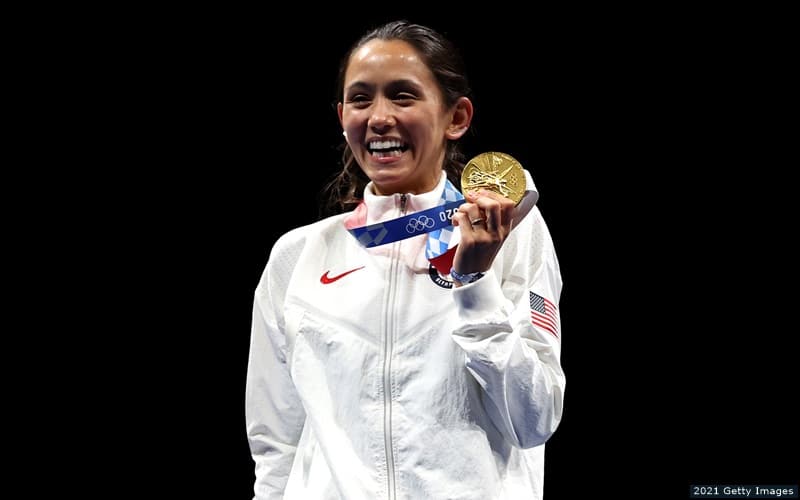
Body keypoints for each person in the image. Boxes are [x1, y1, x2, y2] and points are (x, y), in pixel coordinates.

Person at [246, 20, 565, 500]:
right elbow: (276, 440)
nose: (378, 117)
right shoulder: (298, 256)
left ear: (455, 117)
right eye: (360, 99)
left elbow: (534, 418)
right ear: (341, 116)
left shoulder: (512, 236)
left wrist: (475, 281)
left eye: (402, 96)